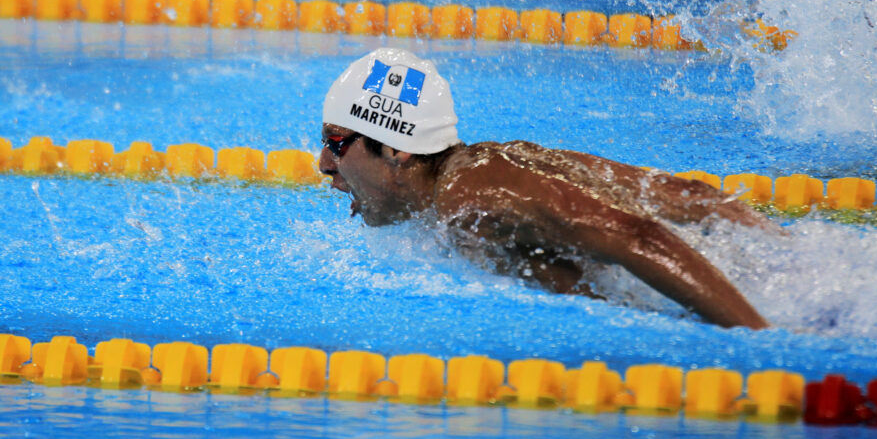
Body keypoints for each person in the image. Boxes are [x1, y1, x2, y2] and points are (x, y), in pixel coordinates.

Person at [318, 48, 771, 330]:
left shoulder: (473, 196)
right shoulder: (479, 176)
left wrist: (761, 342)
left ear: (397, 149)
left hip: (760, 294)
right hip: (763, 265)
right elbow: (686, 195)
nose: (324, 165)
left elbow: (638, 236)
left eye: (336, 143)